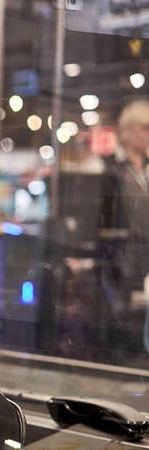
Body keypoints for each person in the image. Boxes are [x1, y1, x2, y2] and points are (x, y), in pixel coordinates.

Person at [99, 100, 149, 357]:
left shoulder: (146, 169)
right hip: (122, 261)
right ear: (128, 131)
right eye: (145, 127)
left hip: (144, 258)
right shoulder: (110, 169)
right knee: (122, 326)